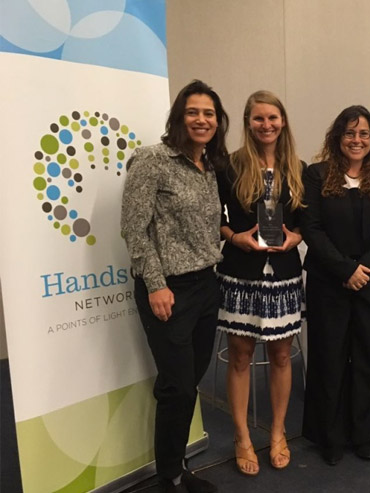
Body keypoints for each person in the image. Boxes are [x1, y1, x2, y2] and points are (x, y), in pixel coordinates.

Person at [122, 79, 229, 493]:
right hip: (167, 290)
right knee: (180, 387)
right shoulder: (151, 160)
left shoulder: (207, 166)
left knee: (186, 382)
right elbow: (134, 229)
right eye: (193, 112)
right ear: (179, 117)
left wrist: (235, 236)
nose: (202, 120)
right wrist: (155, 284)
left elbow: (200, 227)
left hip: (206, 286)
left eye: (209, 114)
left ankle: (175, 462)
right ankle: (169, 475)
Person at [301, 105, 370, 465]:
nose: (356, 140)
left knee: (366, 357)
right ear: (337, 137)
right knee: (329, 358)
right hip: (329, 282)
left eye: (364, 134)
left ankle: (364, 433)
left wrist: (365, 269)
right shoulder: (317, 175)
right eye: (349, 133)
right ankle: (330, 435)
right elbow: (311, 228)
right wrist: (346, 270)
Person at [215, 90, 304, 476]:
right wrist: (235, 238)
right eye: (258, 119)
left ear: (283, 121)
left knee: (282, 357)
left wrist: (294, 239)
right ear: (247, 123)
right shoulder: (229, 167)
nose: (266, 125)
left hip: (283, 274)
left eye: (272, 118)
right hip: (241, 274)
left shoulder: (298, 168)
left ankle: (279, 431)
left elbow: (304, 224)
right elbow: (212, 219)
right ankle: (242, 436)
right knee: (240, 357)